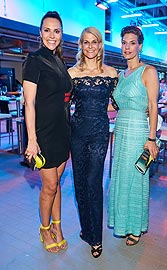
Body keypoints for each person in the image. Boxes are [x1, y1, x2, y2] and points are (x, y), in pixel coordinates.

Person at [23, 11, 72, 253]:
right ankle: (44, 229)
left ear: (61, 35)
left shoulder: (61, 62)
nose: (52, 35)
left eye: (56, 31)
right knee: (49, 186)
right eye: (47, 30)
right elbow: (29, 103)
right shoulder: (34, 60)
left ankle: (58, 227)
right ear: (40, 33)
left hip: (63, 132)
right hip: (43, 133)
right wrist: (32, 140)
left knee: (57, 184)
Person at [68, 26, 118, 258]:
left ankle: (96, 238)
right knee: (79, 183)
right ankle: (86, 230)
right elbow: (63, 105)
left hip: (99, 133)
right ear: (81, 45)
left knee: (93, 182)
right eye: (86, 42)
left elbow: (117, 104)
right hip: (77, 133)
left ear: (100, 45)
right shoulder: (71, 73)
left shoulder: (111, 73)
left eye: (94, 42)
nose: (90, 46)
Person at [108, 26, 159, 246]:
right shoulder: (120, 76)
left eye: (132, 42)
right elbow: (114, 105)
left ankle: (135, 227)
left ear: (140, 45)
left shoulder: (148, 71)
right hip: (120, 130)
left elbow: (153, 106)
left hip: (138, 130)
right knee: (120, 177)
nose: (127, 47)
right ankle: (122, 223)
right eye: (124, 42)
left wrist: (151, 139)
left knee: (135, 178)